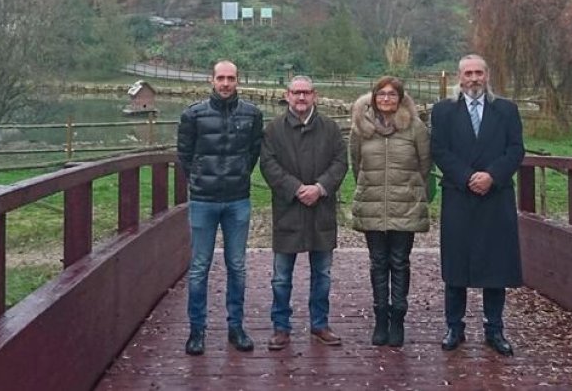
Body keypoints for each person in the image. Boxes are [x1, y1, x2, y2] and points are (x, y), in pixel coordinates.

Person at [431, 54, 525, 356]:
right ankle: (454, 327)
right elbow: (439, 151)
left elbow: (516, 149)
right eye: (468, 73)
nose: (473, 78)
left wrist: (492, 176)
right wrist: (469, 176)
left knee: (495, 263)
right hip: (459, 194)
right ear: (459, 77)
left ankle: (494, 328)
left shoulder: (506, 110)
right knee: (456, 263)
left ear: (487, 75)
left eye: (479, 73)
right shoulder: (444, 111)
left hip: (495, 196)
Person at [176, 60, 264, 356]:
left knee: (237, 266)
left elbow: (254, 152)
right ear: (211, 80)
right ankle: (196, 330)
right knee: (200, 267)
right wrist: (201, 178)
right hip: (204, 200)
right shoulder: (193, 115)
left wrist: (238, 175)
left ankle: (236, 327)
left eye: (231, 78)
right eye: (220, 78)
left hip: (237, 200)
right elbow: (184, 155)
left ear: (238, 80)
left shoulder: (252, 115)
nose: (225, 83)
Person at [259, 75, 349, 351]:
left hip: (321, 210)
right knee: (281, 276)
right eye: (296, 93)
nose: (301, 98)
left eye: (306, 93)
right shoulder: (274, 130)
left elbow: (340, 162)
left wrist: (320, 188)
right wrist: (297, 189)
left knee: (322, 273)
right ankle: (281, 327)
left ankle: (320, 324)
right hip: (288, 210)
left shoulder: (330, 128)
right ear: (287, 95)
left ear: (315, 95)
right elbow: (268, 164)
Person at [349, 76, 431, 347]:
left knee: (400, 262)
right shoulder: (361, 128)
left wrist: (407, 189)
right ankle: (380, 318)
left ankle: (398, 318)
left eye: (392, 94)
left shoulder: (415, 128)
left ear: (400, 98)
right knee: (378, 263)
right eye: (381, 94)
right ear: (373, 98)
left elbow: (424, 165)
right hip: (373, 204)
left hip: (404, 205)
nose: (386, 98)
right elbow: (356, 164)